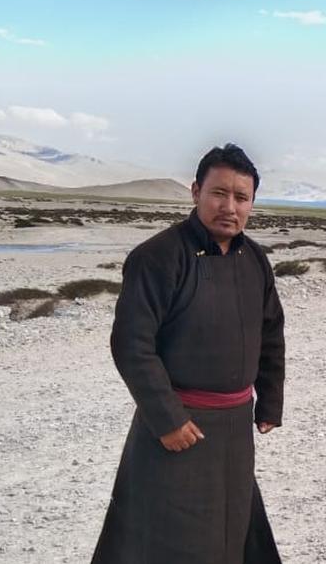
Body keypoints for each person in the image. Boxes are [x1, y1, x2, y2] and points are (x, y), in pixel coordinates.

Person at [92, 143, 285, 564]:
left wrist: (269, 400)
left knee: (231, 532)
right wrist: (169, 420)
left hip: (234, 430)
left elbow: (271, 333)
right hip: (179, 430)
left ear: (252, 203)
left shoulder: (255, 259)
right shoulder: (157, 257)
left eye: (241, 197)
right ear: (196, 191)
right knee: (166, 542)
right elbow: (131, 344)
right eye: (219, 193)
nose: (229, 207)